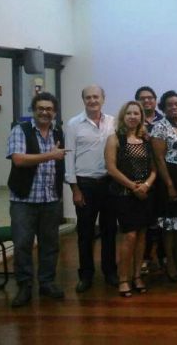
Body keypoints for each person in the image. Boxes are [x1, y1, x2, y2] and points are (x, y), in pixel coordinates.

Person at [6, 92, 67, 307]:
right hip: (24, 200)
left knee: (50, 244)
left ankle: (46, 283)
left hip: (50, 199)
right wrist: (50, 155)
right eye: (40, 108)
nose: (45, 112)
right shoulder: (20, 130)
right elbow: (19, 160)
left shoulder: (58, 132)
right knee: (22, 244)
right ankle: (24, 286)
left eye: (49, 109)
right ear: (33, 110)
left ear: (54, 112)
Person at [65, 85, 118, 293]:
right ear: (83, 100)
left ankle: (110, 272)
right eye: (88, 97)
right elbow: (69, 157)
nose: (92, 100)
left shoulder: (113, 122)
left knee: (110, 230)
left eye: (96, 97)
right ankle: (86, 275)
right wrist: (74, 190)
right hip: (85, 185)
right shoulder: (73, 124)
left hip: (108, 184)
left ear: (103, 99)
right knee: (85, 233)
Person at [105, 101, 156, 297]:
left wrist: (146, 185)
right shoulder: (115, 139)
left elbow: (154, 169)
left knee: (142, 236)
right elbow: (111, 169)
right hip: (124, 195)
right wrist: (133, 186)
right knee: (130, 236)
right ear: (123, 116)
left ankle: (137, 276)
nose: (133, 116)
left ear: (141, 117)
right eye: (129, 113)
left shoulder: (146, 139)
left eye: (136, 113)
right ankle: (123, 278)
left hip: (145, 194)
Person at [151, 90, 177, 282]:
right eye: (170, 105)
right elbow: (159, 159)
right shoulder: (160, 127)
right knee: (169, 226)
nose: (174, 107)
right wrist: (169, 185)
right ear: (163, 107)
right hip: (169, 179)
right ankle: (170, 265)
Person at [135, 86, 166, 274]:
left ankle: (163, 256)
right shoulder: (133, 121)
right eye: (142, 98)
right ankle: (145, 257)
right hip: (142, 177)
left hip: (162, 175)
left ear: (155, 100)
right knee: (145, 219)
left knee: (162, 218)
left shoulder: (164, 121)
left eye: (150, 98)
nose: (147, 101)